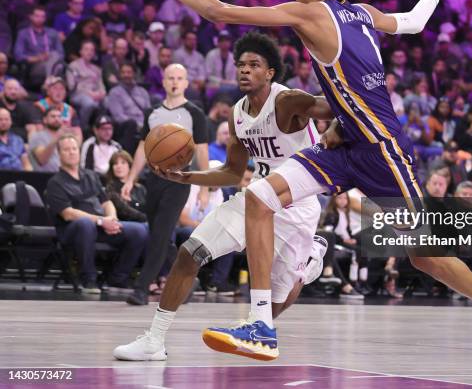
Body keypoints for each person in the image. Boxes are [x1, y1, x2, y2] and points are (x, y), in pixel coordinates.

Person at [126, 0, 472, 360]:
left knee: (423, 255)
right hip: (343, 142)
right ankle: (260, 323)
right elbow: (411, 22)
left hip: (382, 150)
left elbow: (221, 11)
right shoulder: (363, 12)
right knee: (259, 198)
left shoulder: (306, 12)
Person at [113, 31, 332, 361]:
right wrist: (185, 175)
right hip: (257, 196)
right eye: (240, 64)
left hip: (296, 205)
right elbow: (231, 172)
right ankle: (154, 340)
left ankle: (307, 263)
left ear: (270, 72)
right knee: (189, 253)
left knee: (278, 299)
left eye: (254, 65)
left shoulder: (286, 100)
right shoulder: (237, 114)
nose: (244, 70)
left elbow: (328, 107)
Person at [120, 63, 210, 306]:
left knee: (160, 235)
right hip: (154, 179)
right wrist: (131, 179)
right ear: (163, 81)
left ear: (186, 83)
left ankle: (141, 289)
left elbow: (202, 151)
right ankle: (189, 281)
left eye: (180, 78)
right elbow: (142, 147)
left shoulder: (195, 113)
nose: (175, 82)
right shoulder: (152, 112)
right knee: (160, 237)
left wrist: (204, 187)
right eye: (171, 77)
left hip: (179, 180)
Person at [46, 134, 148, 293]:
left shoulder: (91, 175)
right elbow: (68, 214)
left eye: (74, 149)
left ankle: (118, 278)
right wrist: (101, 221)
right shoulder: (55, 183)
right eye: (66, 150)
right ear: (59, 154)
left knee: (139, 230)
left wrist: (111, 219)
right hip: (72, 230)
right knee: (85, 224)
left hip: (100, 226)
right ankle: (89, 279)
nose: (72, 152)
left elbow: (106, 202)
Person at [14, 7, 64, 90]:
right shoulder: (23, 33)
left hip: (53, 63)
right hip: (34, 67)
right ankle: (51, 82)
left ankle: (48, 82)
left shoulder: (53, 33)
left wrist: (49, 57)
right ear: (31, 17)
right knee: (54, 60)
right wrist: (37, 58)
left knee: (55, 55)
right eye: (37, 16)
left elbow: (61, 53)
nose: (40, 19)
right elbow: (18, 55)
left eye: (42, 16)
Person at [105, 63, 151, 153]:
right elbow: (118, 117)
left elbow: (149, 112)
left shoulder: (142, 91)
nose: (126, 75)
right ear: (120, 75)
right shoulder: (114, 92)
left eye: (129, 72)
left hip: (143, 125)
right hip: (126, 126)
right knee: (131, 125)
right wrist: (138, 125)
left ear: (134, 74)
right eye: (123, 72)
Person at [34, 76, 83, 144]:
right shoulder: (39, 106)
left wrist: (74, 147)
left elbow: (78, 132)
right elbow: (39, 130)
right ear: (48, 91)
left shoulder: (70, 110)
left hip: (66, 144)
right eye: (55, 88)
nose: (59, 92)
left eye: (62, 89)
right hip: (47, 144)